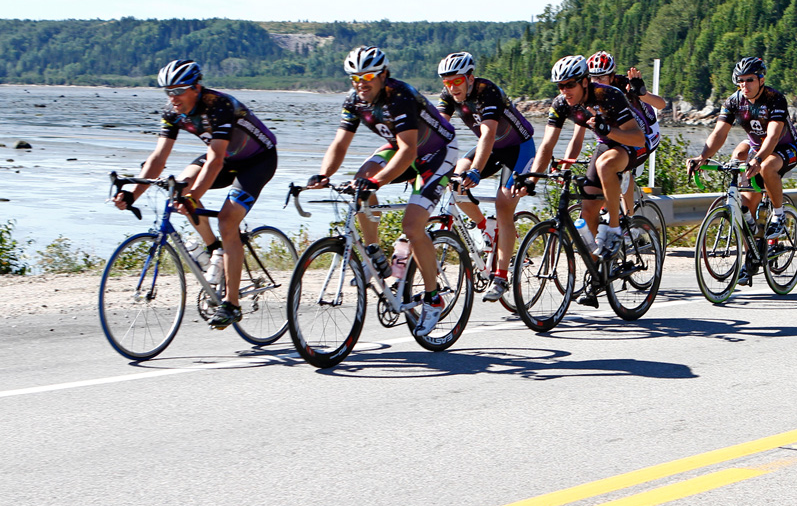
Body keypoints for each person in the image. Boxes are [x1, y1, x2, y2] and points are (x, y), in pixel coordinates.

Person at [112, 60, 278, 329]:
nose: (173, 97)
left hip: (257, 161)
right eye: (168, 91)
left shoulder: (218, 105)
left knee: (227, 221)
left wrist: (192, 197)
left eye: (179, 90)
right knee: (178, 186)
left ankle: (232, 304)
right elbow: (158, 158)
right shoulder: (172, 111)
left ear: (196, 87)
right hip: (224, 157)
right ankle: (215, 249)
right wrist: (132, 195)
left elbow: (214, 160)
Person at [306, 47, 457, 335]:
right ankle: (374, 252)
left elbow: (408, 149)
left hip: (437, 154)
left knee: (412, 226)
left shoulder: (400, 96)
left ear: (383, 75)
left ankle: (433, 298)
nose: (361, 83)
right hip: (401, 149)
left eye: (369, 76)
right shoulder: (355, 101)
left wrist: (378, 181)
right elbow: (340, 144)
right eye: (355, 78)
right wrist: (325, 174)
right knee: (360, 178)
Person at [522, 55, 650, 307]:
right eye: (560, 86)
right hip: (606, 144)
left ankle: (613, 230)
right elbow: (547, 145)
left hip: (632, 143)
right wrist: (532, 179)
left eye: (569, 84)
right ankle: (598, 275)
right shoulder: (561, 104)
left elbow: (638, 138)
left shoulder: (607, 95)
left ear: (583, 82)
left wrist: (607, 130)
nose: (564, 91)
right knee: (588, 210)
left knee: (604, 165)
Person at [685, 57, 797, 285]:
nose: (745, 85)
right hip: (757, 148)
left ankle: (778, 215)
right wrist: (702, 157)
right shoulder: (734, 101)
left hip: (785, 148)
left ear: (761, 79)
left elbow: (774, 135)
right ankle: (751, 254)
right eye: (740, 81)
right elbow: (719, 133)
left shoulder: (774, 99)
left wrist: (758, 159)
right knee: (742, 181)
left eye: (750, 80)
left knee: (767, 166)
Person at [435, 51, 536, 304]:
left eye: (457, 81)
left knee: (503, 204)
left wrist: (477, 171)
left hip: (519, 148)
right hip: (492, 148)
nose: (452, 87)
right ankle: (485, 228)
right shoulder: (449, 95)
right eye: (447, 82)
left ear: (470, 77)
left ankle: (501, 277)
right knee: (456, 182)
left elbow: (488, 135)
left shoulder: (487, 92)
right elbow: (437, 130)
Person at [585, 51, 665, 216]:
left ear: (612, 76)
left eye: (601, 78)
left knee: (624, 168)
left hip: (647, 133)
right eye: (593, 78)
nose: (596, 82)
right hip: (618, 134)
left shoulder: (625, 85)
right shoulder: (590, 92)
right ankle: (610, 212)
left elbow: (661, 104)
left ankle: (629, 218)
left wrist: (642, 93)